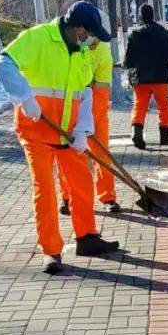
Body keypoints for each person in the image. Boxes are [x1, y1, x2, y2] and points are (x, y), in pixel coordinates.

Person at [0, 1, 120, 275]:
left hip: (67, 133)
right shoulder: (38, 38)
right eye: (92, 35)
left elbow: (84, 93)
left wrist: (82, 129)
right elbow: (2, 63)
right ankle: (51, 250)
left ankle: (87, 237)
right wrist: (25, 97)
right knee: (46, 189)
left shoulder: (80, 52)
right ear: (80, 30)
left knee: (82, 181)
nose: (93, 42)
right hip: (36, 130)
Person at [58, 40, 121, 215]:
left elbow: (101, 93)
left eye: (96, 38)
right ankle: (67, 196)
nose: (93, 41)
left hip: (96, 113)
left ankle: (107, 197)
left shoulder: (103, 54)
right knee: (67, 154)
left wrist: (88, 123)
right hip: (69, 109)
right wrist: (75, 121)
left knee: (102, 154)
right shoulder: (67, 48)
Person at [124, 3, 168, 149]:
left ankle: (137, 133)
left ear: (140, 16)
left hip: (140, 78)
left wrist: (130, 74)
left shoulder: (135, 34)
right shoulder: (164, 33)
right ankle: (164, 137)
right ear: (153, 15)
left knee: (139, 106)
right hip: (160, 77)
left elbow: (128, 59)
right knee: (164, 106)